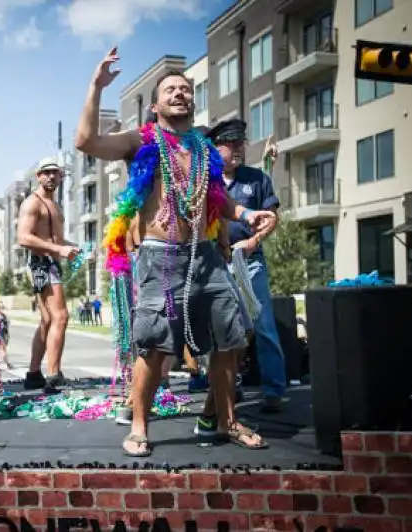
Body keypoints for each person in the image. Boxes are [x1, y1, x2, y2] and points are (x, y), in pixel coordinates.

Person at [75, 48, 276, 456]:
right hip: (159, 256)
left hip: (206, 255)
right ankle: (139, 426)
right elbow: (86, 141)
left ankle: (224, 420)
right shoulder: (141, 140)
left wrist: (247, 212)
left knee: (231, 338)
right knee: (153, 345)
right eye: (171, 89)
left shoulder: (203, 150)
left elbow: (217, 200)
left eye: (186, 89)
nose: (180, 93)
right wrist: (96, 87)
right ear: (155, 104)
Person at [206, 119, 285, 413]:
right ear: (216, 148)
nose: (239, 148)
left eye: (242, 142)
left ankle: (274, 390)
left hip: (250, 263)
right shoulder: (206, 181)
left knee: (263, 326)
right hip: (216, 266)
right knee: (224, 331)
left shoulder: (257, 178)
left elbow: (272, 217)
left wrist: (254, 241)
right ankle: (229, 388)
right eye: (232, 143)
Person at [17, 157, 79, 393]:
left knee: (47, 320)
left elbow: (56, 240)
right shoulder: (32, 203)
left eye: (56, 173)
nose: (52, 176)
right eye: (47, 172)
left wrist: (72, 247)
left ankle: (34, 374)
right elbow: (24, 237)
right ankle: (53, 375)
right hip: (41, 263)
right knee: (60, 317)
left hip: (50, 260)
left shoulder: (55, 205)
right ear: (38, 176)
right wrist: (59, 250)